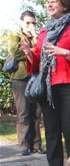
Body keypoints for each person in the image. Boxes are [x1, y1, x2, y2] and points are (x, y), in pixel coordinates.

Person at [21, 0, 70, 166]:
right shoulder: (44, 31)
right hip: (48, 87)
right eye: (48, 2)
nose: (49, 5)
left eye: (54, 2)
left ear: (65, 5)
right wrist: (29, 53)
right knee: (51, 131)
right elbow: (37, 63)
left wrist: (64, 52)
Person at [7, 11, 44, 156]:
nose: (31, 25)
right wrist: (32, 52)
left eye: (33, 23)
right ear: (22, 22)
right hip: (20, 78)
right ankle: (24, 145)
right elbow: (16, 53)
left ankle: (36, 145)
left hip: (36, 77)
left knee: (36, 112)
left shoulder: (37, 37)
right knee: (23, 112)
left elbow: (41, 53)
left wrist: (34, 39)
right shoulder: (14, 36)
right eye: (28, 23)